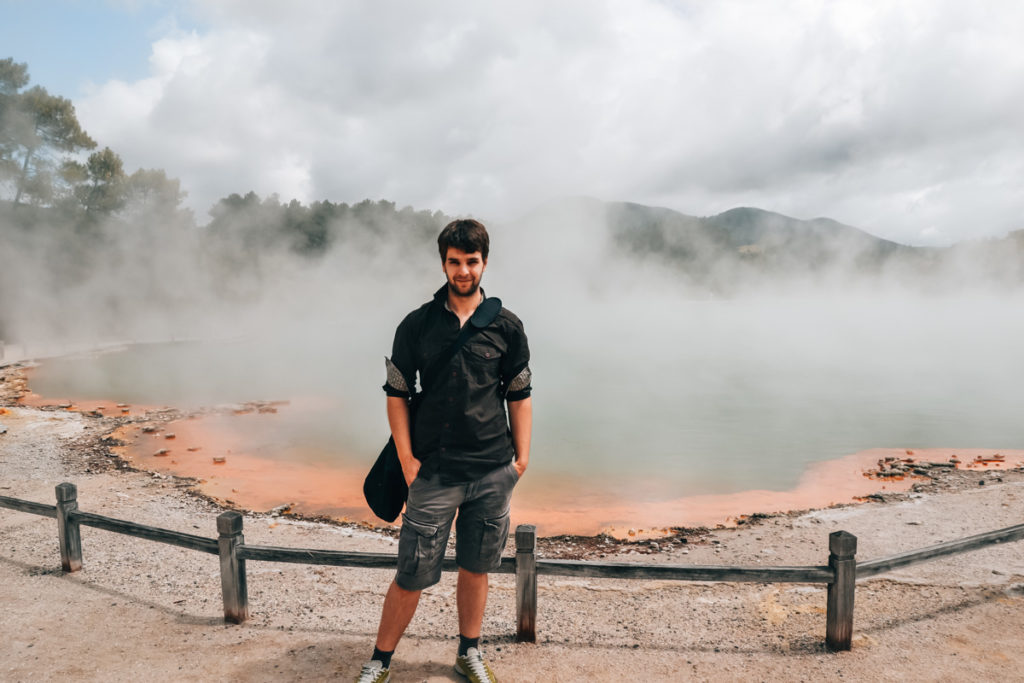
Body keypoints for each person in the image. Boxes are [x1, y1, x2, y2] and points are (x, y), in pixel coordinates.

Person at [355, 219, 533, 683]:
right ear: (443, 263)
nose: (463, 271)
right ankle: (379, 661)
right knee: (411, 573)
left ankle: (468, 652)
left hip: (493, 469)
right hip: (433, 471)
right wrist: (408, 460)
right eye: (455, 262)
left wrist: (521, 459)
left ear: (484, 263)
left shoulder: (506, 327)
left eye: (471, 262)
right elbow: (396, 393)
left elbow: (519, 392)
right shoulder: (416, 326)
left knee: (476, 567)